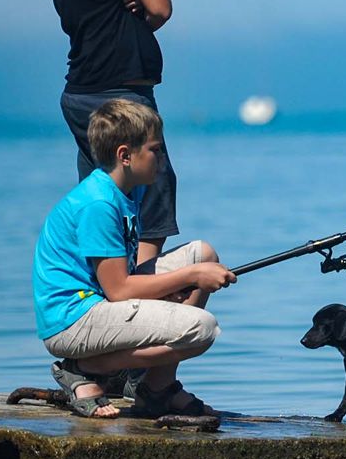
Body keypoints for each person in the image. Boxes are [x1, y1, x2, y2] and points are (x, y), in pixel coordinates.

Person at [33, 99, 236, 418]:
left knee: (203, 253)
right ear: (125, 156)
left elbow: (126, 280)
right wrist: (190, 277)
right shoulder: (98, 204)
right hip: (72, 320)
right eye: (155, 149)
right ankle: (83, 368)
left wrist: (187, 276)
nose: (162, 157)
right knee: (202, 330)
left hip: (101, 301)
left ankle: (157, 389)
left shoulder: (130, 189)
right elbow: (120, 291)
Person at [48, 0, 177, 268]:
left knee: (106, 198)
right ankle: (138, 283)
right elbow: (160, 4)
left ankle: (107, 282)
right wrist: (154, 2)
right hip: (119, 90)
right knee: (154, 183)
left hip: (80, 92)